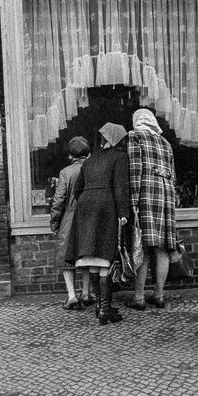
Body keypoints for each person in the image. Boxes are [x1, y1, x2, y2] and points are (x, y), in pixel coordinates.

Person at [66, 123, 130, 325]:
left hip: (85, 207)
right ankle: (104, 310)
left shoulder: (90, 159)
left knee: (92, 257)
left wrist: (88, 201)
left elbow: (78, 189)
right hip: (106, 207)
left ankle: (100, 307)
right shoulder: (120, 157)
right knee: (105, 256)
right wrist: (123, 213)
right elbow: (120, 187)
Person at [125, 109, 178, 311]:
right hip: (166, 197)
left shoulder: (135, 136)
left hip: (145, 194)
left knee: (143, 247)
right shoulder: (166, 143)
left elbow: (135, 169)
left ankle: (139, 297)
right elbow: (173, 175)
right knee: (162, 248)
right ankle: (159, 295)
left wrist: (133, 201)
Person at [50, 136, 93, 310]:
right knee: (86, 255)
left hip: (69, 218)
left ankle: (72, 296)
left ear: (70, 155)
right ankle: (86, 292)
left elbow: (58, 200)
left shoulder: (65, 172)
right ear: (88, 154)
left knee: (66, 258)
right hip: (88, 217)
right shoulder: (93, 168)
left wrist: (54, 223)